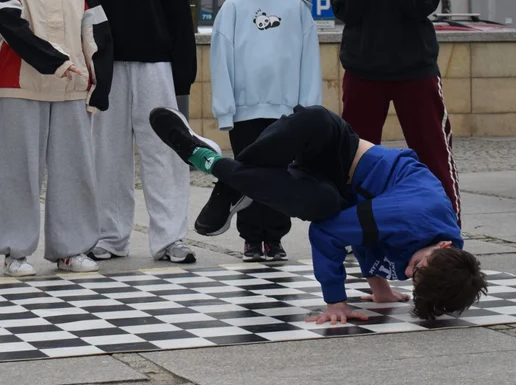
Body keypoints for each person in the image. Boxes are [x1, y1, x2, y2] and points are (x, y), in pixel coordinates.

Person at [149, 104, 487, 325]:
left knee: (321, 204)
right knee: (311, 128)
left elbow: (370, 233)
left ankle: (228, 177)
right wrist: (336, 301)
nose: (409, 270)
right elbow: (332, 234)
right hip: (332, 143)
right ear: (443, 246)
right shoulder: (410, 215)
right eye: (417, 268)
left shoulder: (440, 250)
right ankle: (212, 165)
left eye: (413, 278)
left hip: (334, 188)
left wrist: (380, 287)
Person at [67, 0, 198, 264]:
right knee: (108, 156)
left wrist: (183, 74)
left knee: (164, 152)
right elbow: (75, 12)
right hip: (104, 69)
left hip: (155, 66)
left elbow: (177, 12)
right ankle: (110, 237)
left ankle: (170, 239)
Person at [0, 0, 113, 276]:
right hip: (21, 87)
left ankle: (70, 249)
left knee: (74, 170)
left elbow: (97, 32)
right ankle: (15, 252)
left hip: (72, 91)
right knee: (16, 171)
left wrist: (99, 82)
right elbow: (13, 29)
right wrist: (57, 62)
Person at [328, 0, 460, 222]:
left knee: (432, 151)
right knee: (355, 156)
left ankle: (447, 226)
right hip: (363, 71)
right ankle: (351, 228)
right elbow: (344, 12)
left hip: (414, 71)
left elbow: (423, 6)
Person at [195, 0, 322, 263]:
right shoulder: (234, 8)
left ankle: (275, 239)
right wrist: (226, 109)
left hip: (286, 113)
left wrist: (308, 113)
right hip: (245, 112)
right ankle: (252, 239)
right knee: (249, 176)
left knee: (279, 176)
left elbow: (309, 61)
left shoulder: (296, 7)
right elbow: (221, 61)